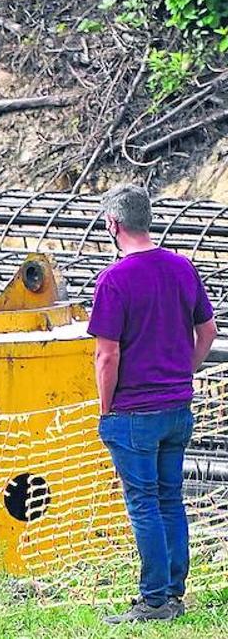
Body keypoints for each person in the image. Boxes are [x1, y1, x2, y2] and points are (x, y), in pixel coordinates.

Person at [88, 184, 217, 624]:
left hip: (133, 414)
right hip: (177, 408)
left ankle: (154, 600)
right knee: (169, 500)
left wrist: (107, 409)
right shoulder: (182, 267)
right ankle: (174, 593)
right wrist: (186, 371)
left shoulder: (114, 279)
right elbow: (208, 331)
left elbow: (107, 355)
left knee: (143, 504)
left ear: (113, 224)